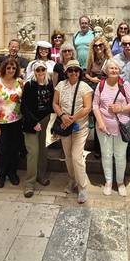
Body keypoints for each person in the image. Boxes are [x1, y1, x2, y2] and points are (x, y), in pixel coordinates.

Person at [93, 59, 130, 196]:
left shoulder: (125, 85)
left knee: (120, 155)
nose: (114, 70)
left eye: (116, 68)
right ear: (106, 70)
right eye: (111, 68)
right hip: (104, 127)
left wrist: (120, 108)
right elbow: (95, 106)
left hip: (122, 128)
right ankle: (109, 182)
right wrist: (100, 123)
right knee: (106, 155)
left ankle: (120, 182)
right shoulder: (101, 85)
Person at [53, 59, 93, 203]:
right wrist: (63, 116)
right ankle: (72, 179)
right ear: (66, 72)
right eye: (70, 70)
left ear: (80, 72)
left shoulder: (84, 87)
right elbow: (55, 103)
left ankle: (82, 187)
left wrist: (72, 118)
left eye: (76, 70)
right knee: (68, 156)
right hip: (65, 126)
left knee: (76, 156)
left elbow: (87, 107)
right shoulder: (60, 85)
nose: (73, 73)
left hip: (79, 127)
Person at [20, 61, 54, 197]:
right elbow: (24, 107)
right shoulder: (29, 85)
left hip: (45, 120)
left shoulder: (49, 83)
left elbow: (52, 103)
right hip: (31, 123)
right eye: (38, 70)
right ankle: (29, 183)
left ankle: (41, 175)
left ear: (46, 71)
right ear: (34, 72)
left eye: (43, 70)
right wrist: (34, 122)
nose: (40, 73)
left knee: (43, 151)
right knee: (33, 152)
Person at [0, 58, 23, 188]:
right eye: (8, 68)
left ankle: (12, 173)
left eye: (13, 68)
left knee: (14, 149)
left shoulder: (19, 82)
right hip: (2, 122)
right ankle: (1, 175)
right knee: (2, 150)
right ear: (4, 68)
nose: (11, 70)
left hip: (16, 121)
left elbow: (23, 102)